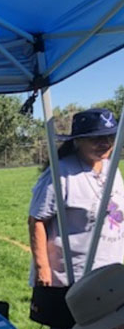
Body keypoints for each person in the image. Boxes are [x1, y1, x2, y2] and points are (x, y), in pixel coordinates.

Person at [29, 108, 124, 292]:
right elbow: (36, 220)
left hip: (111, 274)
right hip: (71, 278)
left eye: (109, 137)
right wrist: (42, 268)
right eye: (95, 138)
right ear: (78, 141)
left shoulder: (112, 169)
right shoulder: (60, 174)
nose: (104, 143)